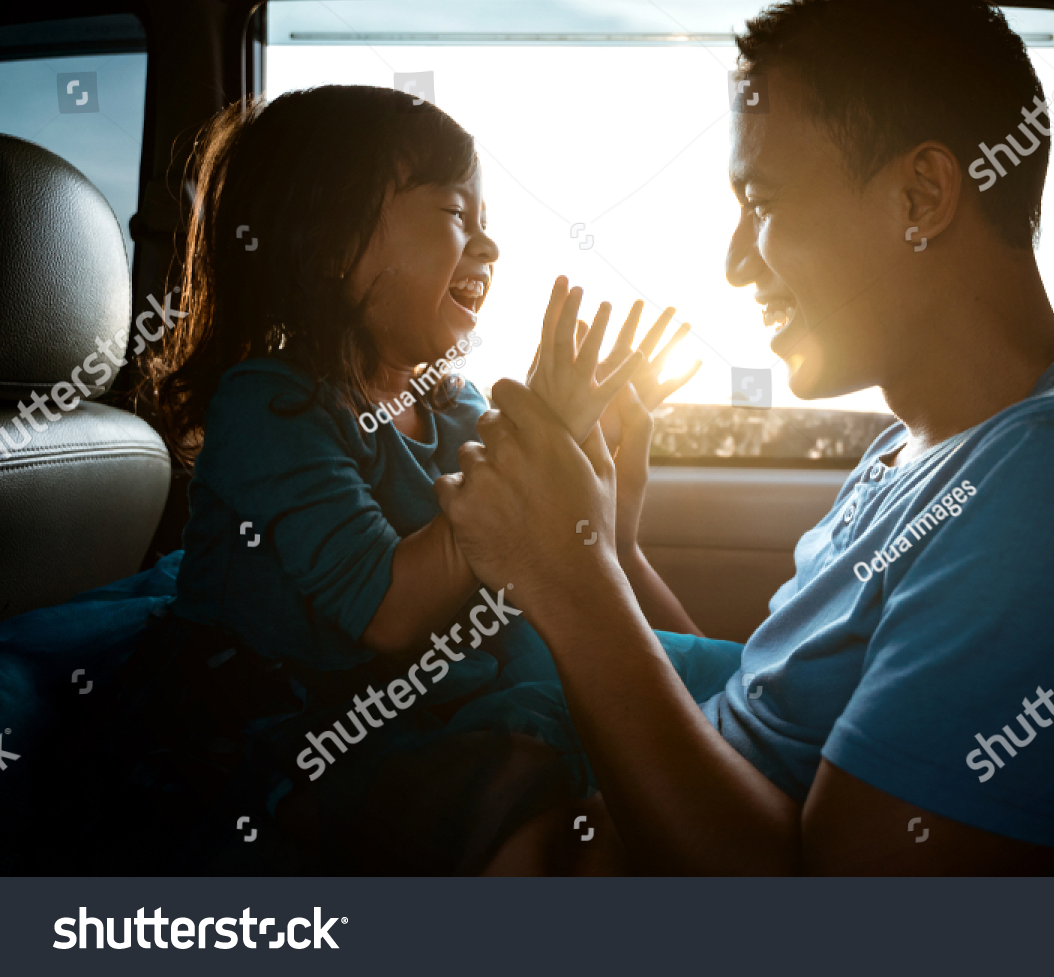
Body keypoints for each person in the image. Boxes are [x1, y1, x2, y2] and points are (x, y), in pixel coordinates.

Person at [438, 0, 1054, 874]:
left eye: (765, 204)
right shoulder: (914, 449)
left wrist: (569, 581)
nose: (737, 263)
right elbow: (764, 712)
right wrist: (613, 549)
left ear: (921, 197)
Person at [0, 84, 742, 874]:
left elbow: (573, 586)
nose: (488, 249)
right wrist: (534, 447)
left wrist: (590, 480)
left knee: (730, 698)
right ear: (329, 246)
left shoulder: (456, 405)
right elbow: (388, 608)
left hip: (439, 689)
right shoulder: (270, 407)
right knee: (520, 809)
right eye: (458, 215)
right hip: (294, 717)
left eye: (489, 225)